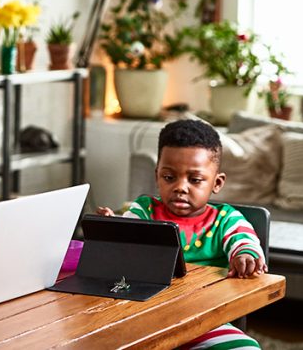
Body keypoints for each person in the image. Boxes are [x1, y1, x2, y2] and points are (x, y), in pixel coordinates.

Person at [96, 118, 266, 350]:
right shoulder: (144, 210)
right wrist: (111, 231)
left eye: (195, 180)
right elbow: (127, 234)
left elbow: (244, 240)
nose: (180, 187)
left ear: (217, 183)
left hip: (205, 322)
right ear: (157, 176)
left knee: (245, 348)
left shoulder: (226, 219)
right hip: (143, 318)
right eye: (169, 177)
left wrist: (245, 255)